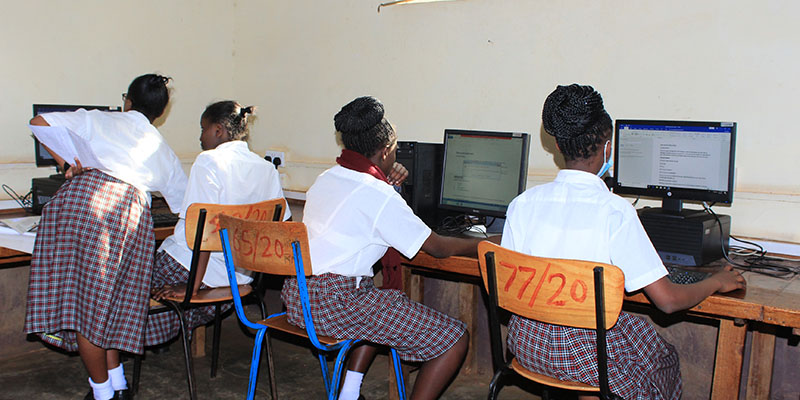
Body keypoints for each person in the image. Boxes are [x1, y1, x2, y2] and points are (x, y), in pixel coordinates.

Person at [501, 84, 746, 400]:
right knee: (662, 358)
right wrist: (715, 281)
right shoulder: (614, 211)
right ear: (607, 149)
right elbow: (668, 301)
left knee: (629, 332)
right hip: (582, 356)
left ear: (559, 145)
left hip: (526, 344)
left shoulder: (522, 204)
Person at [281, 96, 495, 400]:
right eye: (394, 150)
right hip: (335, 305)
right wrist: (485, 245)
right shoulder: (377, 193)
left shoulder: (327, 178)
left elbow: (368, 216)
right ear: (384, 151)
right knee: (454, 338)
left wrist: (390, 185)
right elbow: (436, 248)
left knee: (382, 301)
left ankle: (349, 393)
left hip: (299, 297)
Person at [24, 74, 188, 400]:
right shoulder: (160, 147)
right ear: (160, 113)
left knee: (89, 306)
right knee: (109, 303)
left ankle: (109, 390)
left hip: (79, 204)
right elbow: (186, 205)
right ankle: (109, 390)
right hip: (125, 212)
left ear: (127, 100)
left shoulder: (100, 119)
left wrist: (68, 163)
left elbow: (38, 121)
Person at [145, 100, 291, 345]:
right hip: (239, 281)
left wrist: (192, 287)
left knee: (127, 281)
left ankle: (119, 353)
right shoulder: (267, 170)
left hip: (189, 269)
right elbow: (282, 225)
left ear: (218, 130)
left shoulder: (208, 161)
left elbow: (205, 231)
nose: (200, 137)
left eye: (203, 129)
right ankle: (170, 327)